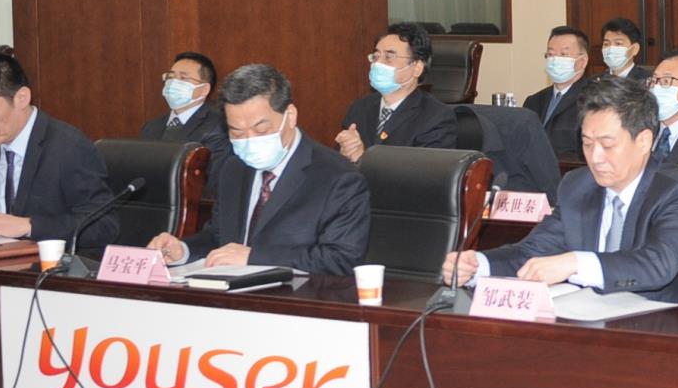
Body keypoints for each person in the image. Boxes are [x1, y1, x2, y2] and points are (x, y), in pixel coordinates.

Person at [441, 76, 678, 302]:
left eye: (607, 145)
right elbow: (533, 252)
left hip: (669, 330)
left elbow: (658, 264)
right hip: (593, 322)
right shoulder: (578, 186)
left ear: (644, 141)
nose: (595, 157)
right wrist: (479, 264)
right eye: (587, 143)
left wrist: (576, 263)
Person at [149, 63, 370, 275]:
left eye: (261, 130)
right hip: (231, 291)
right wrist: (183, 250)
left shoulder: (337, 177)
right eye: (237, 132)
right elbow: (220, 236)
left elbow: (341, 259)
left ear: (290, 116)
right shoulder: (235, 168)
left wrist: (254, 257)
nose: (249, 140)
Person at [0, 50, 117, 250]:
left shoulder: (68, 147)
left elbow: (104, 226)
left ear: (22, 98)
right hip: (5, 262)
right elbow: (3, 219)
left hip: (55, 264)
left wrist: (29, 226)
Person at [336, 22, 458, 160]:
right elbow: (337, 165)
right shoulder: (359, 108)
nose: (378, 64)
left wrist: (362, 158)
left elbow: (426, 171)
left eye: (389, 57)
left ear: (417, 67)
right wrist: (344, 155)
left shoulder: (436, 117)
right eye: (376, 56)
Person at [139, 51, 230, 163]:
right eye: (170, 76)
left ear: (204, 89)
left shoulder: (218, 126)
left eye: (183, 78)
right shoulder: (150, 127)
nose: (173, 82)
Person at [523, 25, 595, 157]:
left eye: (563, 54)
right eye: (550, 54)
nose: (555, 60)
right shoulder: (533, 101)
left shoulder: (594, 100)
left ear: (583, 61)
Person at [599, 17, 653, 85]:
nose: (610, 48)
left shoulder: (647, 82)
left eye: (618, 43)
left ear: (634, 49)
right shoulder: (596, 82)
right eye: (606, 44)